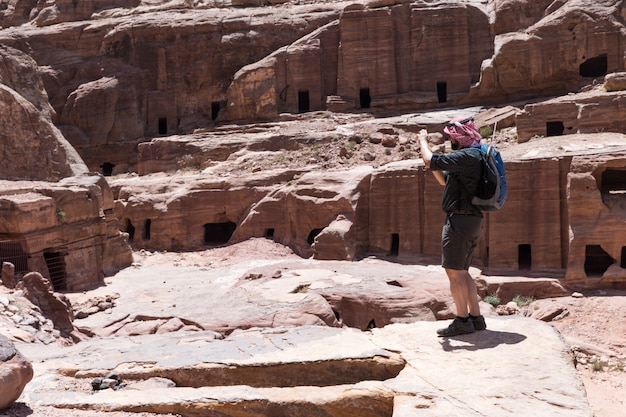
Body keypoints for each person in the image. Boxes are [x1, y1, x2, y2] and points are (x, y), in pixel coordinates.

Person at [418, 117, 487, 337]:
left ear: (459, 138)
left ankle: (462, 321)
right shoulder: (475, 156)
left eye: (451, 137)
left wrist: (422, 141)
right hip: (471, 219)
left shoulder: (466, 155)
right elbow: (443, 180)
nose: (450, 141)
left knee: (454, 274)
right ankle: (476, 318)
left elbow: (430, 158)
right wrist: (431, 165)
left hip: (459, 220)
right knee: (463, 272)